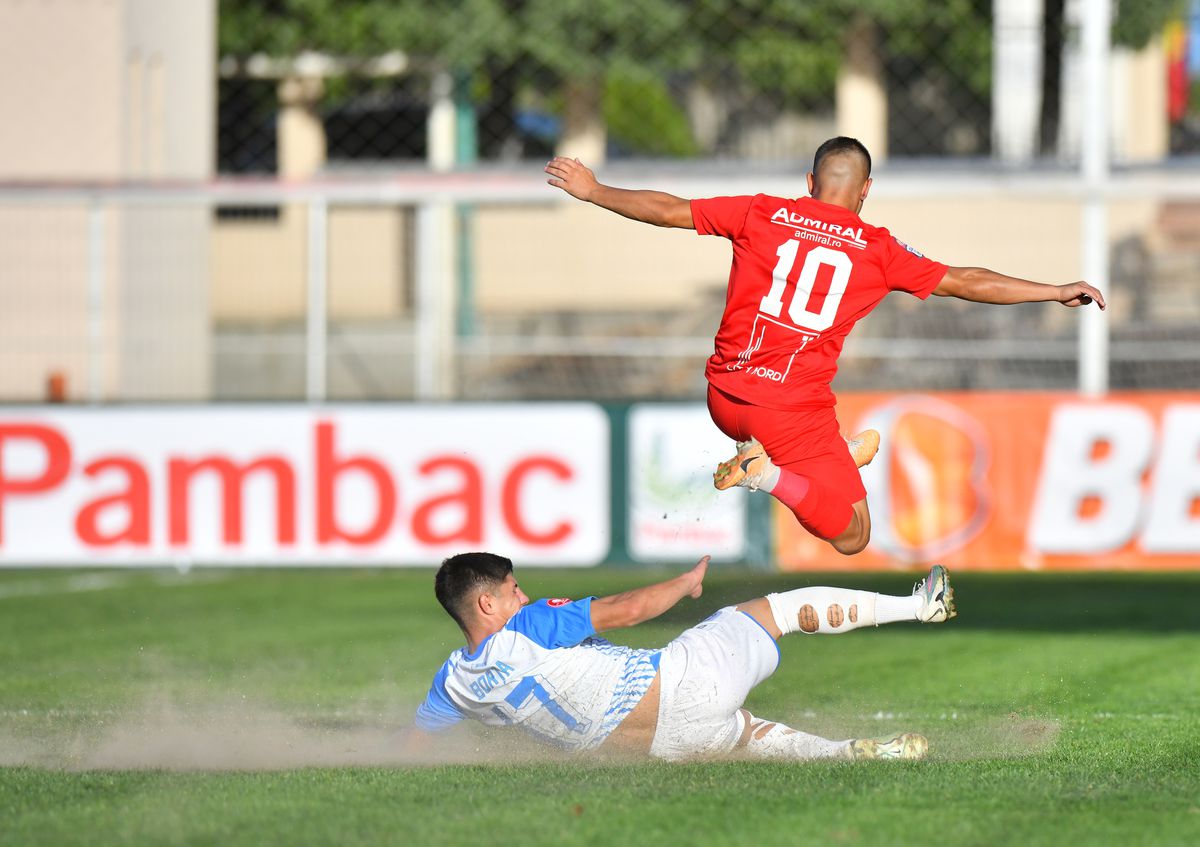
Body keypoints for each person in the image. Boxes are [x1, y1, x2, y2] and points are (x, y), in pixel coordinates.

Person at [544, 138, 1107, 556]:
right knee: (854, 534)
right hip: (787, 413)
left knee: (821, 439)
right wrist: (1054, 290)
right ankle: (763, 473)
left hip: (724, 396)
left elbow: (669, 210)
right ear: (866, 191)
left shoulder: (761, 211)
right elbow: (965, 280)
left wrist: (593, 190)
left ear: (809, 182)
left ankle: (823, 454)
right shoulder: (878, 249)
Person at [409, 551, 956, 763]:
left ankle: (849, 755)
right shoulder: (528, 627)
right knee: (775, 611)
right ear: (487, 603)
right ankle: (920, 604)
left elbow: (412, 744)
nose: (522, 597)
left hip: (662, 745)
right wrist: (685, 584)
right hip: (681, 684)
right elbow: (624, 609)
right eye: (512, 589)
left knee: (746, 733)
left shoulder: (453, 685)